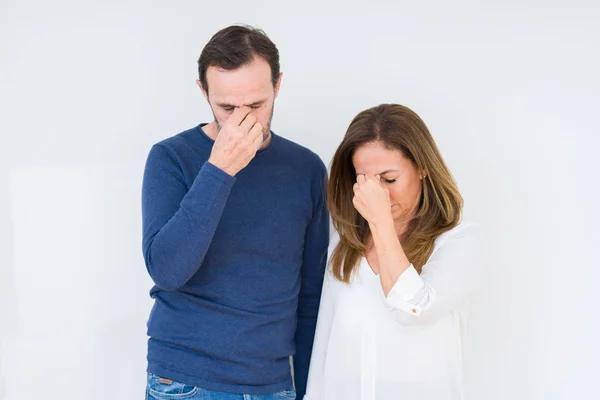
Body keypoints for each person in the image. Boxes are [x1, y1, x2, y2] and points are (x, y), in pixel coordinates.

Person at [141, 25, 329, 400]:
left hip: (274, 385)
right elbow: (167, 269)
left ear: (277, 87)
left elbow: (310, 297)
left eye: (257, 105)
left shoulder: (306, 169)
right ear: (204, 93)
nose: (244, 120)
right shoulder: (170, 158)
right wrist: (219, 170)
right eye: (227, 107)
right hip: (186, 382)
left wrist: (307, 389)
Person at [304, 104, 479, 400]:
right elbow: (324, 345)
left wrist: (380, 222)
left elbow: (414, 309)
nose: (378, 194)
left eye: (389, 179)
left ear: (422, 168)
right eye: (365, 181)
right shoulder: (345, 245)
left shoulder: (457, 242)